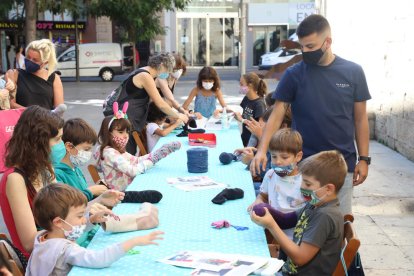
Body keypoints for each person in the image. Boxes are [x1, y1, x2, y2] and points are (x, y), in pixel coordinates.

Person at [250, 14, 371, 215]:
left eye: (311, 47)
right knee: (302, 227)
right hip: (304, 166)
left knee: (336, 227)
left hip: (342, 166)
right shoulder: (294, 74)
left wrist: (364, 159)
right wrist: (262, 150)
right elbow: (277, 114)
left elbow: (360, 119)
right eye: (302, 47)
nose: (305, 51)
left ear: (328, 42)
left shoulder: (353, 72)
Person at [0, 106, 123, 260]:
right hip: (42, 259)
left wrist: (99, 201)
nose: (62, 145)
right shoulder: (15, 179)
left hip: (61, 247)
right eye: (58, 139)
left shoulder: (45, 169)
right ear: (38, 142)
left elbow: (63, 212)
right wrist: (80, 224)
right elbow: (30, 242)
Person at [26, 184, 163, 275]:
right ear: (58, 222)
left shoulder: (44, 238)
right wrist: (133, 241)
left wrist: (92, 220)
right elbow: (99, 259)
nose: (84, 219)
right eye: (80, 216)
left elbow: (70, 232)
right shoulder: (65, 249)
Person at [251, 150, 347, 275]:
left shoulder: (325, 216)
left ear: (328, 189)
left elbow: (300, 258)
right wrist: (266, 209)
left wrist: (271, 225)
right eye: (302, 181)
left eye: (307, 183)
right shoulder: (314, 204)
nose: (302, 187)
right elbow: (286, 220)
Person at [95, 104, 181, 192]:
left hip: (128, 188)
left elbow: (135, 160)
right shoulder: (109, 153)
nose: (125, 136)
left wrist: (157, 154)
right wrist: (151, 160)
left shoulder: (116, 150)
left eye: (127, 132)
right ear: (108, 133)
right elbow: (132, 171)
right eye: (121, 132)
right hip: (121, 194)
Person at [123, 52, 188, 155]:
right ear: (162, 65)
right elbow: (160, 103)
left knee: (130, 152)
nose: (168, 74)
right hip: (126, 118)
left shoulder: (146, 72)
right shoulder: (146, 76)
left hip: (131, 117)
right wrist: (178, 116)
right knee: (127, 153)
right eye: (168, 70)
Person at [247, 128, 305, 239]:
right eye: (274, 156)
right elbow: (263, 195)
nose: (278, 161)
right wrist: (258, 200)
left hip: (294, 237)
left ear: (298, 156)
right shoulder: (270, 175)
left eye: (284, 157)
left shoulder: (304, 182)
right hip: (271, 231)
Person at [54, 118, 108, 201]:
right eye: (86, 149)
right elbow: (67, 203)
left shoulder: (76, 169)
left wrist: (96, 190)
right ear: (69, 147)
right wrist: (90, 191)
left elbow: (83, 195)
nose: (89, 153)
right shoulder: (57, 174)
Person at [5, 39, 64, 110]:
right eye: (28, 57)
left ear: (45, 63)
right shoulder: (14, 74)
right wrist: (34, 114)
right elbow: (10, 104)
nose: (30, 61)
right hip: (20, 119)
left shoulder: (54, 78)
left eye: (35, 60)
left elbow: (59, 109)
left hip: (46, 120)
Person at [234, 72, 267, 146]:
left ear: (250, 85)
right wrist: (236, 115)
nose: (240, 87)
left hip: (253, 142)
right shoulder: (247, 98)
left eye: (242, 84)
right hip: (244, 137)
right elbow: (246, 116)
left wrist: (241, 120)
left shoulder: (259, 104)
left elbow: (260, 126)